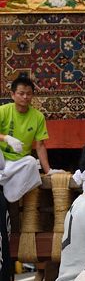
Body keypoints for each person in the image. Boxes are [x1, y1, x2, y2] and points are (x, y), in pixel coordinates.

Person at [0, 74, 60, 202]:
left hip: (18, 162)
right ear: (12, 95)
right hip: (1, 158)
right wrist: (6, 138)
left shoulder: (38, 117)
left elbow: (40, 145)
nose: (25, 97)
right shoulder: (3, 111)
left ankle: (8, 188)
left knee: (32, 162)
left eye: (29, 94)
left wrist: (48, 170)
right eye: (21, 93)